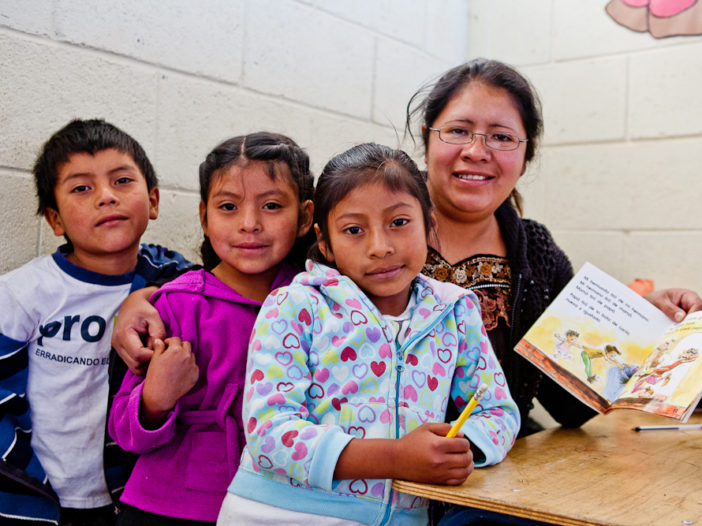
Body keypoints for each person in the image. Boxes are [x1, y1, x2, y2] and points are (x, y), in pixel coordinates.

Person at [404, 57, 702, 525]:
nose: (477, 151)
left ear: (526, 156)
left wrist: (643, 325)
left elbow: (568, 405)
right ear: (426, 138)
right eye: (458, 130)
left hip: (488, 491)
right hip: (372, 489)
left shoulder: (536, 252)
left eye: (502, 137)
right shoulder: (367, 230)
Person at [216, 143, 520, 525]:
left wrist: (461, 450)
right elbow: (270, 435)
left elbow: (498, 410)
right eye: (354, 230)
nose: (380, 247)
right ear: (325, 242)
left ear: (429, 224)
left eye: (399, 222)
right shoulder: (294, 306)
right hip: (276, 514)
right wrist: (397, 457)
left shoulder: (455, 310)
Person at [107, 132, 314, 525]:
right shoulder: (175, 305)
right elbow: (124, 432)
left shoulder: (321, 304)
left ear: (305, 216)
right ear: (204, 216)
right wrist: (156, 397)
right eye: (228, 207)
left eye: (271, 205)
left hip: (279, 508)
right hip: (167, 507)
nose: (249, 224)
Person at [0, 119, 190, 526]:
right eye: (81, 188)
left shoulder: (177, 286)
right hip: (33, 499)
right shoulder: (22, 292)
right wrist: (24, 477)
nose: (105, 197)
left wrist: (140, 295)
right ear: (55, 220)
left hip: (127, 501)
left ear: (153, 201)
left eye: (122, 181)